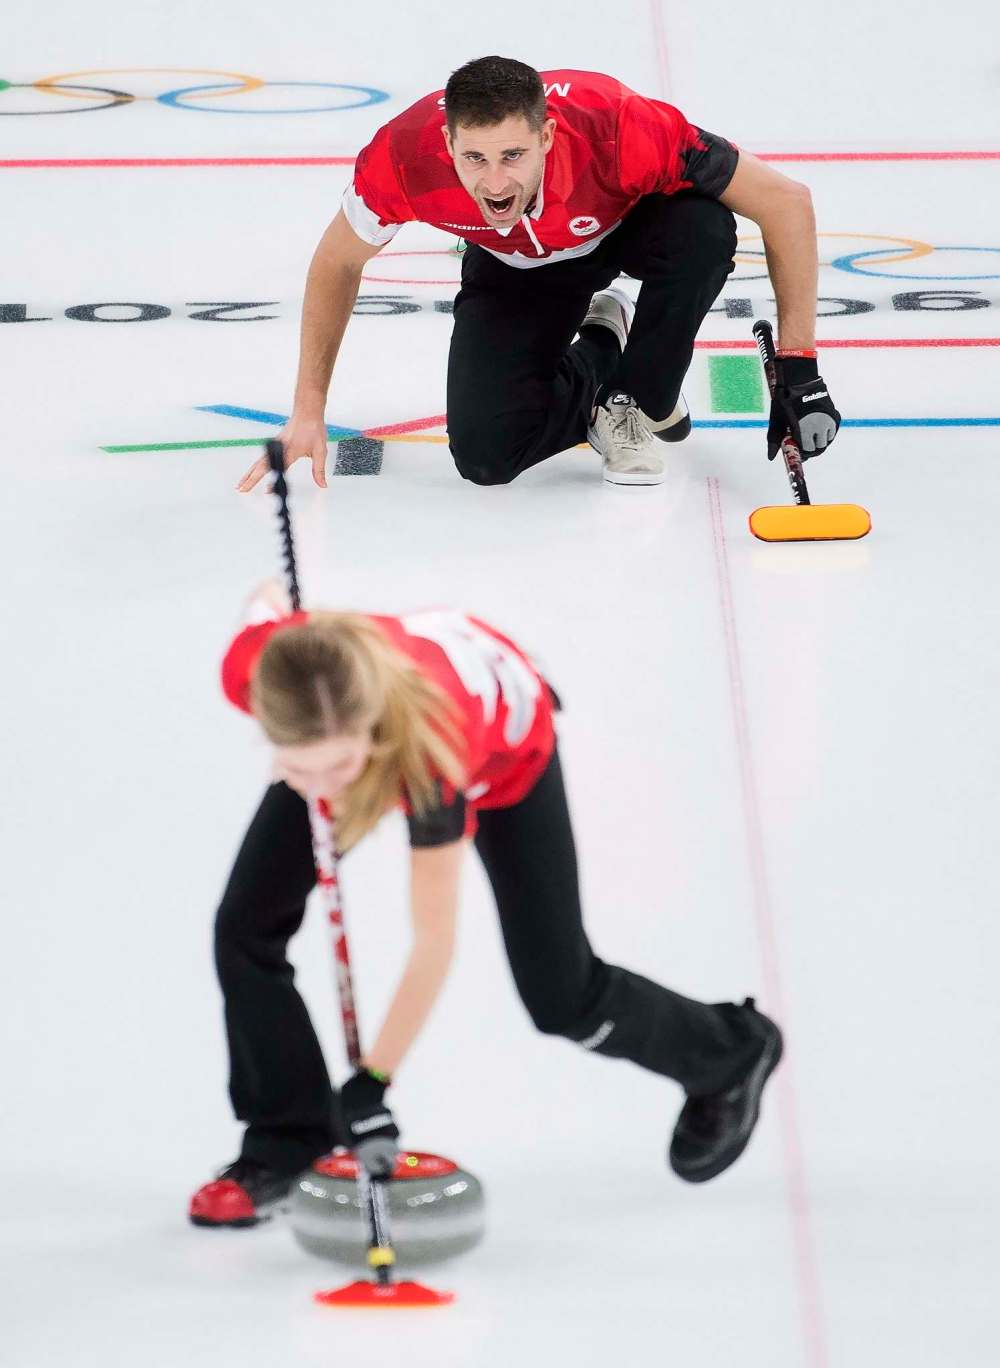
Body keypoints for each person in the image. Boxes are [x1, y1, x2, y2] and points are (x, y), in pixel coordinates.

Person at [189, 596, 782, 1226]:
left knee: (562, 997)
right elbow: (267, 597)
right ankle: (286, 1141)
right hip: (377, 710)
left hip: (505, 748)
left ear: (369, 731)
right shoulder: (266, 671)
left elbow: (434, 940)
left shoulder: (432, 752)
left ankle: (729, 1053)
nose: (322, 790)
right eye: (297, 769)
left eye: (340, 766)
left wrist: (373, 1080)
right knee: (244, 928)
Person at [236, 55, 840, 492]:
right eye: (473, 158)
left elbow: (786, 202)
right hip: (514, 269)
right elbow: (336, 261)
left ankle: (637, 393)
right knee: (486, 459)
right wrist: (308, 408)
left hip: (621, 231)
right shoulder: (402, 158)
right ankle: (604, 351)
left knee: (705, 230)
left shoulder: (619, 125)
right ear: (446, 144)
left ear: (547, 135)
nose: (494, 183)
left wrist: (799, 368)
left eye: (513, 156)